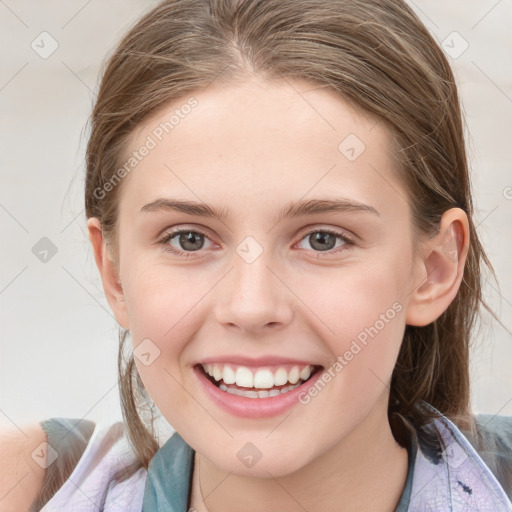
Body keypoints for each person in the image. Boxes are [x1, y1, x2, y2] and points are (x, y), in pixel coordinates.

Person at [2, 0, 511, 510]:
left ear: (435, 270)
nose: (251, 307)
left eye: (323, 239)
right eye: (189, 239)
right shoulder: (25, 484)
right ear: (114, 274)